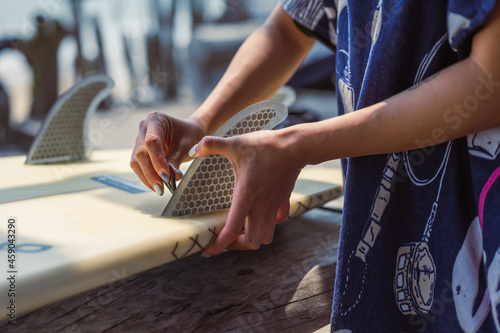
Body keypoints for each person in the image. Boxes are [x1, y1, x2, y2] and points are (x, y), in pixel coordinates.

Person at [130, 0, 500, 331]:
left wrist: (297, 146)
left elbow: (491, 80)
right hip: (388, 231)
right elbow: (289, 28)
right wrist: (201, 123)